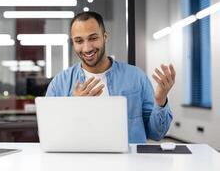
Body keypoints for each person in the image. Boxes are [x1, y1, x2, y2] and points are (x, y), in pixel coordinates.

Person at [46, 11, 175, 143]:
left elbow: (156, 134)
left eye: (93, 38)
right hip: (81, 160)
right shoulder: (59, 83)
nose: (86, 48)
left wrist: (160, 100)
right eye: (79, 41)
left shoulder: (136, 77)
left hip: (129, 161)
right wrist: (74, 107)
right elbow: (49, 134)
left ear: (105, 37)